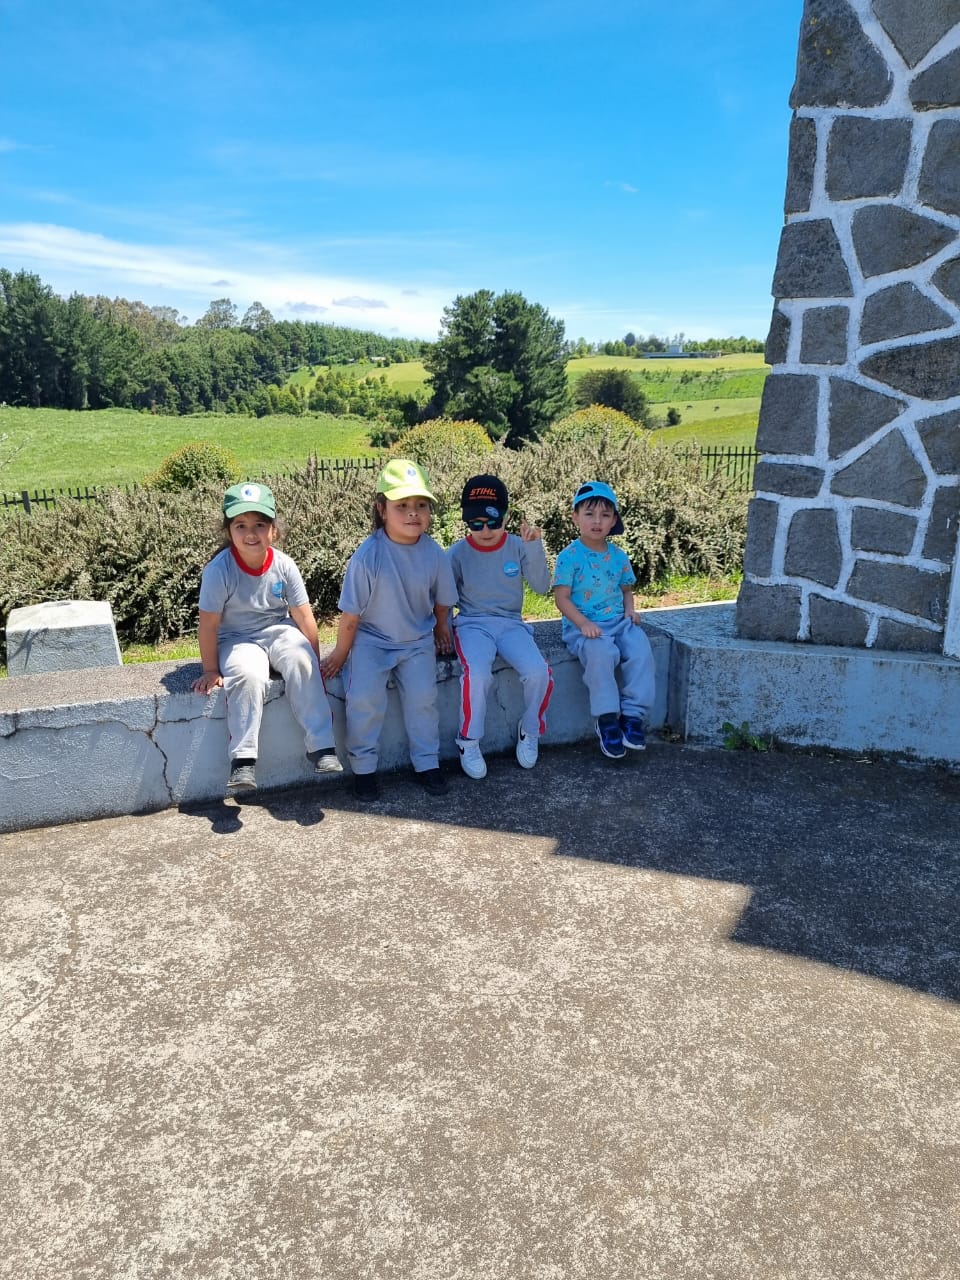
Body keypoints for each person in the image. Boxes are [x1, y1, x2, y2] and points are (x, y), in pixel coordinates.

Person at [192, 482, 342, 796]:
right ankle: (243, 759)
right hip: (236, 638)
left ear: (274, 530)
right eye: (241, 525)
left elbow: (303, 616)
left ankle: (322, 747)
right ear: (228, 531)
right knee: (247, 674)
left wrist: (312, 660)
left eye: (260, 524)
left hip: (278, 629)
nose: (251, 533)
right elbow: (208, 625)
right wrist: (210, 670)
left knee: (301, 657)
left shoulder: (284, 565)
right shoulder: (219, 571)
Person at [321, 458, 458, 800]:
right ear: (382, 510)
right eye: (402, 505)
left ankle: (427, 763)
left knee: (423, 700)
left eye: (421, 505)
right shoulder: (368, 556)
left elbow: (443, 600)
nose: (413, 513)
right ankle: (364, 769)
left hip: (416, 641)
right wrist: (341, 653)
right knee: (364, 699)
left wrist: (442, 628)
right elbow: (351, 616)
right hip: (372, 641)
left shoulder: (434, 553)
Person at [448, 474, 553, 779]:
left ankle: (530, 729)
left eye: (493, 522)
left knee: (539, 673)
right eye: (475, 523)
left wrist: (534, 548)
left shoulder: (519, 547)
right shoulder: (456, 554)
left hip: (510, 624)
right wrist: (440, 632)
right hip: (472, 624)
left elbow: (541, 586)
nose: (484, 530)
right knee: (477, 675)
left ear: (506, 516)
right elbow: (443, 599)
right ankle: (468, 740)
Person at [552, 480, 655, 759]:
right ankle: (607, 719)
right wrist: (583, 624)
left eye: (605, 515)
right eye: (589, 514)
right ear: (575, 517)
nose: (597, 521)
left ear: (613, 521)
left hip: (618, 622)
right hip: (583, 627)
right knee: (601, 654)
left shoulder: (619, 557)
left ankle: (632, 717)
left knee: (641, 649)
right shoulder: (569, 557)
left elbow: (626, 589)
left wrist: (630, 610)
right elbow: (562, 598)